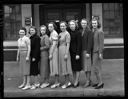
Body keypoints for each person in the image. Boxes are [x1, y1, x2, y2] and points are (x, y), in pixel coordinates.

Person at [68, 20, 82, 87]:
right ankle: (74, 80)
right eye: (70, 24)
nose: (71, 26)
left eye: (73, 24)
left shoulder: (78, 32)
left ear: (75, 25)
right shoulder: (69, 32)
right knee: (73, 68)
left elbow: (79, 44)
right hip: (70, 52)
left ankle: (76, 81)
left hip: (76, 53)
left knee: (77, 68)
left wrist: (78, 54)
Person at [58, 21, 72, 89]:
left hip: (64, 50)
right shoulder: (60, 33)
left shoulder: (67, 34)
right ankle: (66, 82)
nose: (62, 27)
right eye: (61, 26)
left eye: (63, 26)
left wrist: (66, 54)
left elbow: (68, 44)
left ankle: (67, 83)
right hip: (60, 50)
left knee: (66, 66)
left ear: (66, 26)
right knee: (63, 67)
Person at [91, 18, 104, 89]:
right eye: (93, 23)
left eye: (95, 23)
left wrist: (100, 53)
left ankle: (100, 83)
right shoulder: (94, 31)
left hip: (97, 52)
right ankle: (98, 82)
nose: (94, 25)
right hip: (93, 52)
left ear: (98, 24)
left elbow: (101, 44)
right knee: (95, 68)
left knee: (97, 68)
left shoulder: (100, 31)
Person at [80, 18, 93, 88]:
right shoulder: (82, 30)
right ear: (81, 24)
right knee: (85, 67)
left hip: (86, 51)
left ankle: (87, 81)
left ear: (87, 24)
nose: (83, 24)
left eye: (85, 23)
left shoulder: (89, 31)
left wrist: (88, 52)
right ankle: (89, 80)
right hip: (82, 51)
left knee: (88, 67)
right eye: (82, 23)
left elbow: (90, 43)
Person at [48, 22, 60, 88]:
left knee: (55, 66)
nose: (49, 28)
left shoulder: (54, 33)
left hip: (54, 51)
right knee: (54, 66)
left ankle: (57, 82)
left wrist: (51, 53)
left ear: (54, 27)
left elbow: (54, 44)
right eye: (49, 27)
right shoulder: (51, 33)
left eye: (51, 27)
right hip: (52, 50)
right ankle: (56, 82)